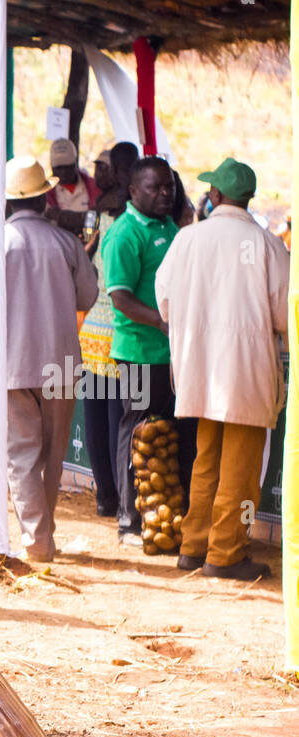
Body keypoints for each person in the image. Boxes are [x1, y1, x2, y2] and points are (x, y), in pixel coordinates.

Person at [155, 158, 288, 581]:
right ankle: (226, 553)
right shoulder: (268, 245)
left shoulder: (189, 239)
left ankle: (194, 546)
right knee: (241, 470)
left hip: (200, 370)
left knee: (205, 458)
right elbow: (286, 315)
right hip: (247, 373)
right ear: (247, 198)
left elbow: (164, 301)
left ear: (215, 196)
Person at [0, 157, 98, 561]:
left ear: (5, 201)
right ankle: (43, 533)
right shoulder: (66, 243)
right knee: (52, 455)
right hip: (60, 364)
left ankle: (38, 542)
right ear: (45, 197)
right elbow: (88, 297)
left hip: (10, 365)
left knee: (21, 455)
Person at [101, 155, 196, 546]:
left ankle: (170, 515)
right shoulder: (124, 233)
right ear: (133, 191)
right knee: (136, 429)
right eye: (155, 188)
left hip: (173, 354)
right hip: (139, 351)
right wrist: (160, 321)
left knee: (171, 435)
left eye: (169, 187)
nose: (164, 194)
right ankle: (129, 520)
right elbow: (120, 296)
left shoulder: (170, 225)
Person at [80, 142, 138, 519]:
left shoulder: (100, 212)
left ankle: (105, 496)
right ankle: (122, 502)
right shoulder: (134, 218)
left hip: (94, 330)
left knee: (99, 418)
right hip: (123, 331)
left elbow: (85, 260)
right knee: (122, 422)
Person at [44, 138, 101, 237]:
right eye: (59, 168)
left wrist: (59, 216)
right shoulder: (45, 194)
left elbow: (97, 220)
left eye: (67, 167)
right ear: (51, 168)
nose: (63, 172)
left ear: (75, 164)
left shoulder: (93, 188)